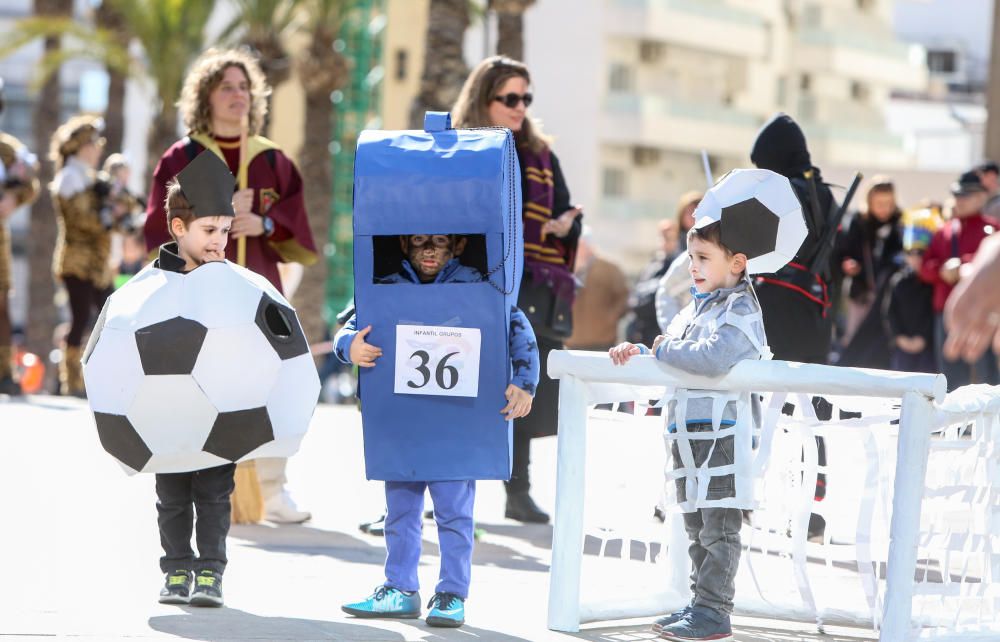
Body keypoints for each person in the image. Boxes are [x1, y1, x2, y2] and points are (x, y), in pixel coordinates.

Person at [144, 48, 318, 524]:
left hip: (256, 289)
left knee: (270, 382)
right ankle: (197, 487)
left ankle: (271, 489)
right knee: (201, 384)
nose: (237, 95)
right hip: (197, 292)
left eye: (244, 86)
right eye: (226, 87)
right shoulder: (183, 157)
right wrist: (208, 216)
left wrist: (264, 223)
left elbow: (298, 225)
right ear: (206, 96)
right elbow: (155, 226)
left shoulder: (273, 161)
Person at [335, 233, 539, 628]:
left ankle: (450, 593)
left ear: (457, 247)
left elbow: (517, 327)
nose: (429, 250)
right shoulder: (389, 286)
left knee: (454, 512)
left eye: (439, 242)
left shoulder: (480, 286)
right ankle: (399, 588)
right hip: (404, 420)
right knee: (400, 511)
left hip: (456, 420)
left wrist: (525, 381)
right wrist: (348, 347)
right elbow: (351, 323)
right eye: (419, 242)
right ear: (406, 246)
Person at [609, 219, 769, 642]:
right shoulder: (697, 308)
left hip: (722, 433)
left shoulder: (741, 309)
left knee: (719, 524)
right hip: (688, 430)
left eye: (702, 258)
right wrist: (642, 351)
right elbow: (675, 353)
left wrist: (662, 348)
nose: (692, 267)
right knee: (696, 524)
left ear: (736, 263)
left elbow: (713, 357)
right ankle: (701, 603)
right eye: (691, 257)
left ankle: (715, 610)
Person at [453, 56, 581, 524]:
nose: (520, 106)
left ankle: (518, 490)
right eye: (510, 98)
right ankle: (443, 489)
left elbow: (566, 211)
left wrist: (565, 225)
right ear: (483, 98)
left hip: (531, 284)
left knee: (521, 387)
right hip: (472, 281)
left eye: (526, 98)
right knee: (458, 386)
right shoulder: (459, 147)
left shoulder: (542, 153)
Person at [152, 151, 239, 607]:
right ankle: (175, 570)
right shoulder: (147, 288)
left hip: (218, 412)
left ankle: (210, 573)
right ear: (179, 228)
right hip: (164, 411)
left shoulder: (234, 284)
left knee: (213, 494)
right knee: (171, 496)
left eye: (225, 231)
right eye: (210, 231)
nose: (219, 242)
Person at [50, 115, 127, 397]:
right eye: (93, 142)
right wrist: (109, 215)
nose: (98, 148)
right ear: (81, 146)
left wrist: (119, 213)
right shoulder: (70, 177)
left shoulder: (91, 177)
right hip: (76, 261)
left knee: (109, 318)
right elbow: (83, 219)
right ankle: (72, 382)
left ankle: (102, 377)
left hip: (98, 263)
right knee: (81, 318)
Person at [919, 170, 1000, 389]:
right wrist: (941, 270)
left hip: (982, 311)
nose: (960, 201)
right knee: (950, 374)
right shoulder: (944, 230)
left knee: (987, 375)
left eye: (967, 195)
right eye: (957, 195)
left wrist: (965, 266)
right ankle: (955, 423)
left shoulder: (993, 229)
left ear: (982, 197)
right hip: (946, 311)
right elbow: (925, 267)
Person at [835, 176, 904, 369]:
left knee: (882, 340)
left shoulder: (899, 224)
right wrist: (849, 264)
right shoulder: (859, 222)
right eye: (879, 204)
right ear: (869, 202)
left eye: (889, 203)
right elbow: (844, 251)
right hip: (861, 293)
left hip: (888, 295)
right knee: (854, 336)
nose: (885, 209)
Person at [0, 79, 40, 396]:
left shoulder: (7, 149)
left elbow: (30, 182)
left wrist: (13, 200)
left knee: (1, 304)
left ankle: (3, 372)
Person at [884, 207, 941, 373]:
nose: (916, 258)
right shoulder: (898, 281)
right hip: (902, 347)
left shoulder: (933, 283)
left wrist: (923, 338)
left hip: (928, 348)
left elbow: (934, 313)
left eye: (921, 253)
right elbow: (889, 311)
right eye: (911, 253)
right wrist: (899, 337)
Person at [565, 230, 629, 352]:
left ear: (590, 246)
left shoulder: (609, 269)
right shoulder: (568, 268)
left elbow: (624, 297)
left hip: (603, 341)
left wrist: (611, 317)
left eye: (580, 244)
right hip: (572, 341)